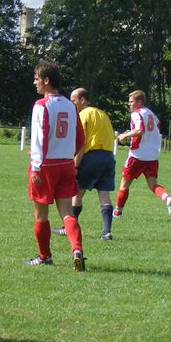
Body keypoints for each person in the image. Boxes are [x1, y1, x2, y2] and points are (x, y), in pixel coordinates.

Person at [25, 61, 86, 271]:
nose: (34, 83)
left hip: (46, 166)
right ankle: (77, 249)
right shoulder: (71, 106)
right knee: (67, 212)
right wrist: (68, 154)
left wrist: (36, 167)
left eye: (36, 78)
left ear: (46, 80)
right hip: (66, 165)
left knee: (41, 215)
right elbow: (80, 139)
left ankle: (45, 257)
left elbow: (38, 138)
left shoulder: (41, 106)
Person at [113, 90, 171, 219]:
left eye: (131, 102)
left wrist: (125, 135)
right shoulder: (151, 114)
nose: (129, 104)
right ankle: (167, 198)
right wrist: (131, 132)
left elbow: (140, 131)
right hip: (152, 156)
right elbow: (155, 128)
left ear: (139, 102)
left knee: (124, 184)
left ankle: (117, 212)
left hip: (137, 155)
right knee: (153, 185)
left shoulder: (137, 114)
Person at [66, 87, 116, 241]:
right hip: (108, 157)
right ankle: (106, 232)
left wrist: (75, 166)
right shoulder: (103, 114)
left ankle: (68, 227)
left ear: (82, 100)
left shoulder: (83, 115)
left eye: (73, 101)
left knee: (77, 192)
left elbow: (82, 143)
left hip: (92, 156)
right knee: (104, 194)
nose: (71, 104)